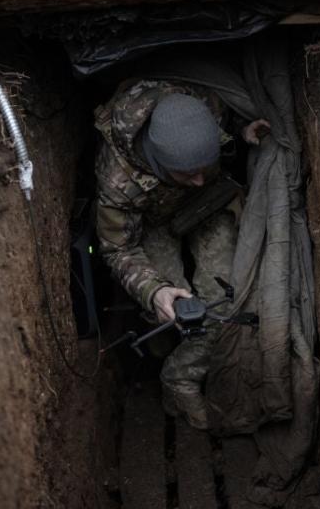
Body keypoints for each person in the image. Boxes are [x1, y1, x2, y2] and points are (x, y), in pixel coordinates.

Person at [95, 78, 269, 430]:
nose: (199, 178)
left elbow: (223, 131)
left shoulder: (204, 105)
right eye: (188, 173)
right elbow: (117, 248)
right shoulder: (117, 181)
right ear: (158, 162)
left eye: (204, 168)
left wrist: (242, 131)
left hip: (207, 209)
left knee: (224, 300)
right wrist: (155, 291)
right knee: (171, 309)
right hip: (149, 224)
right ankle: (161, 361)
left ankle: (180, 375)